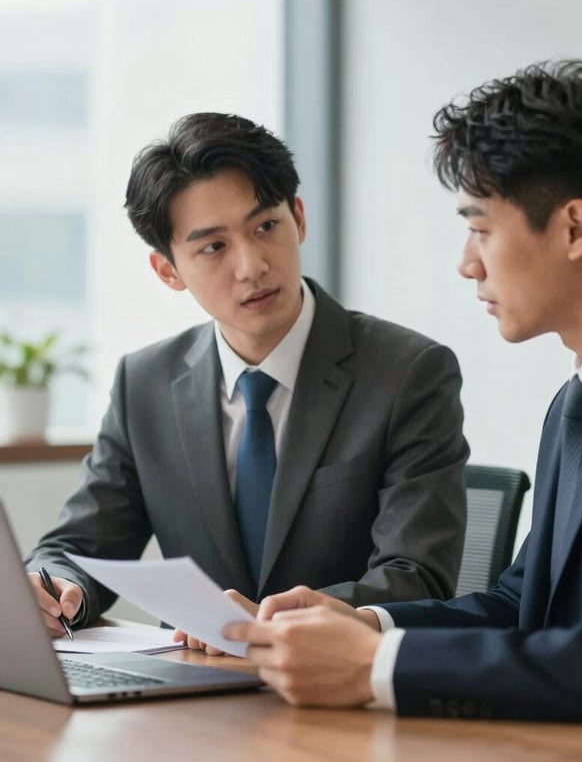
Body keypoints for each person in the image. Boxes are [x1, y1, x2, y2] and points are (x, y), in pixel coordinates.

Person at [220, 61, 582, 756]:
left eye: (480, 228)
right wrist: (368, 625)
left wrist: (375, 668)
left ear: (574, 229)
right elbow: (522, 606)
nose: (467, 263)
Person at [25, 112, 469, 641]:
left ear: (298, 218)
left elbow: (416, 575)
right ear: (168, 270)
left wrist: (268, 624)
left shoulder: (407, 372)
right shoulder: (143, 383)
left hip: (337, 676)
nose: (251, 266)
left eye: (266, 227)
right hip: (190, 679)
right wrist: (55, 589)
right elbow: (77, 548)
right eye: (214, 247)